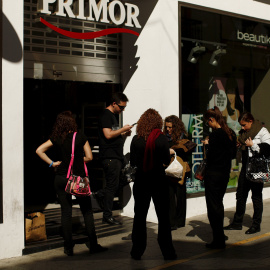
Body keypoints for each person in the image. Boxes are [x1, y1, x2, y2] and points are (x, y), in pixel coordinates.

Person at [36, 111, 107, 256]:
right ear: (73, 122)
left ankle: (68, 247)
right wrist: (77, 160)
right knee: (87, 211)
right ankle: (93, 244)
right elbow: (90, 157)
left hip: (61, 178)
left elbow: (39, 150)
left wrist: (52, 163)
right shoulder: (80, 136)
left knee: (66, 212)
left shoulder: (57, 137)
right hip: (77, 179)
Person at [130, 108, 177, 260]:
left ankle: (137, 250)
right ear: (158, 122)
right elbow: (165, 160)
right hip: (158, 181)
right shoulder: (161, 139)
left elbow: (133, 162)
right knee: (163, 217)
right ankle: (167, 251)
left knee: (139, 216)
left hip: (141, 181)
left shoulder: (136, 139)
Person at [224, 112, 270, 234]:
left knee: (256, 196)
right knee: (240, 195)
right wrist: (242, 145)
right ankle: (237, 222)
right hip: (246, 166)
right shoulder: (243, 134)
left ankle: (256, 225)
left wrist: (253, 145)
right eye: (241, 125)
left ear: (250, 121)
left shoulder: (262, 131)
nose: (242, 128)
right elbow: (243, 145)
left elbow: (268, 148)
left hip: (258, 167)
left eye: (244, 125)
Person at [96, 92, 133, 225]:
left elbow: (114, 136)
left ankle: (101, 195)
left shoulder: (113, 116)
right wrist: (122, 129)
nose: (122, 110)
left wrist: (124, 134)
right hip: (110, 157)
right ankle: (107, 215)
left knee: (119, 182)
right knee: (112, 186)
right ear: (114, 104)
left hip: (116, 156)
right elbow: (108, 135)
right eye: (121, 107)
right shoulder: (106, 115)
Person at [202, 106, 237, 249]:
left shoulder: (215, 135)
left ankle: (218, 239)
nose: (207, 125)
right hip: (224, 174)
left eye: (207, 122)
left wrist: (207, 146)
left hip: (213, 174)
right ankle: (219, 236)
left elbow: (211, 157)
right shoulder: (230, 133)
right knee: (219, 204)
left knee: (213, 207)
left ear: (211, 119)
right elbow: (233, 154)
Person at [163, 115, 191, 230]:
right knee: (169, 196)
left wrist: (174, 151)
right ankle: (172, 222)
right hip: (168, 170)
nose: (168, 129)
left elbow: (188, 151)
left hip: (180, 170)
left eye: (170, 127)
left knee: (180, 196)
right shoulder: (165, 137)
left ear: (176, 127)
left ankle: (180, 221)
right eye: (166, 127)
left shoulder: (183, 137)